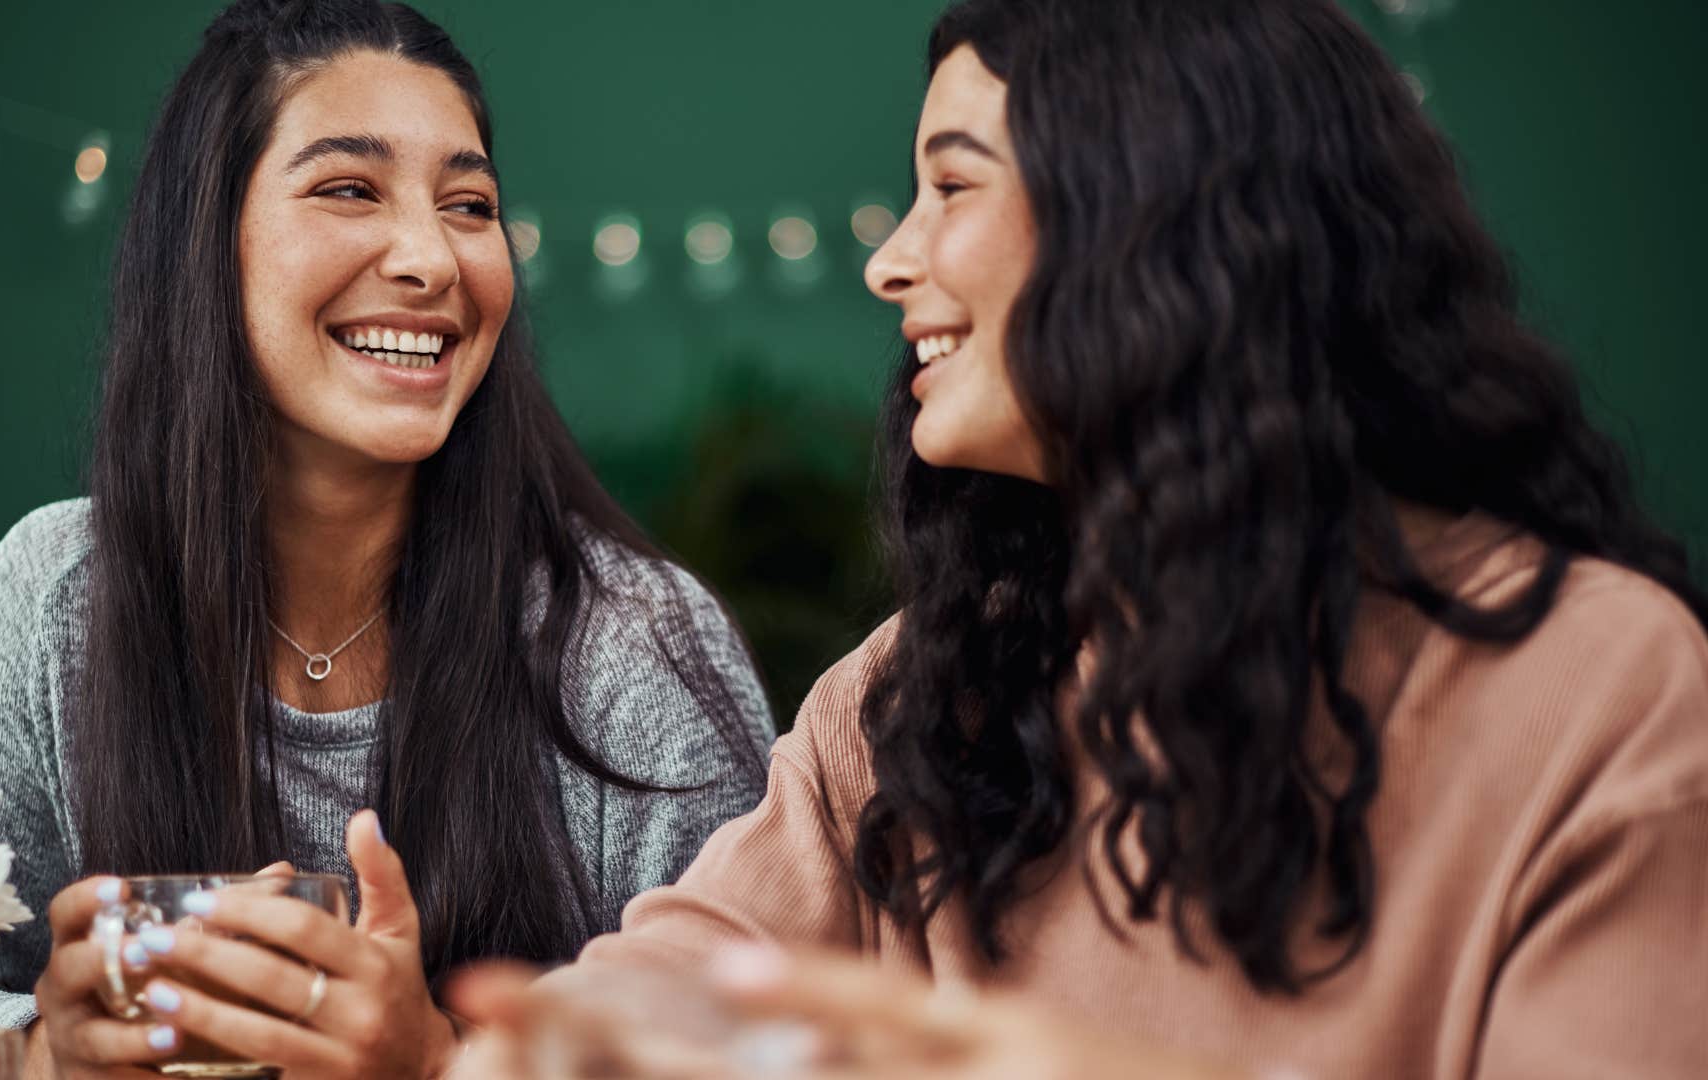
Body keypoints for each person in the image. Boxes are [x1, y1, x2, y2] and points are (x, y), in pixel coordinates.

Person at [447, 1, 1708, 1077]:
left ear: (1162, 220)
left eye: (951, 186)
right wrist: (530, 1045)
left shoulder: (1595, 687)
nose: (890, 262)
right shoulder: (914, 696)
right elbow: (665, 982)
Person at [0, 1, 774, 1076]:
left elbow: (750, 1052)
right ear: (208, 239)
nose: (430, 257)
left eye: (469, 204)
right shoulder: (61, 599)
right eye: (347, 188)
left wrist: (437, 1057)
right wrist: (49, 1054)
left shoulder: (629, 644)